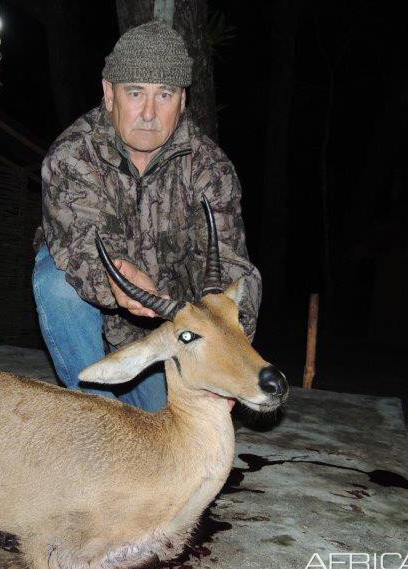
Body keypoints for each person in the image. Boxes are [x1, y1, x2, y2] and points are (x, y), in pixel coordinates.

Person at [32, 20, 261, 412]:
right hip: (92, 325)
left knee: (173, 435)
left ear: (183, 101)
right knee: (54, 282)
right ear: (109, 93)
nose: (149, 113)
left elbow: (232, 270)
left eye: (165, 95)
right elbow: (82, 245)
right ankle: (94, 420)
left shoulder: (210, 169)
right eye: (135, 93)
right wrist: (115, 277)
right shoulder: (72, 155)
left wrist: (224, 352)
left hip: (165, 336)